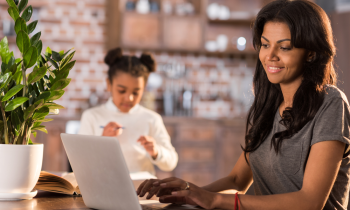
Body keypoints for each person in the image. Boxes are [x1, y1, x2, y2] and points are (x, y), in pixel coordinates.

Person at [136, 0, 350, 209]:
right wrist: (188, 192)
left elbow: (310, 202)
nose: (270, 56)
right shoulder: (269, 105)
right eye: (265, 45)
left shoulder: (331, 103)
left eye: (284, 47)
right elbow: (237, 180)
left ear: (311, 53)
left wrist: (215, 200)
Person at [78, 48, 178, 175]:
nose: (129, 98)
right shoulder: (92, 117)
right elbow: (81, 163)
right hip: (104, 187)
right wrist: (102, 141)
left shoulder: (152, 119)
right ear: (109, 84)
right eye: (121, 91)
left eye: (136, 92)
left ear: (144, 87)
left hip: (142, 191)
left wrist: (156, 151)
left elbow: (171, 163)